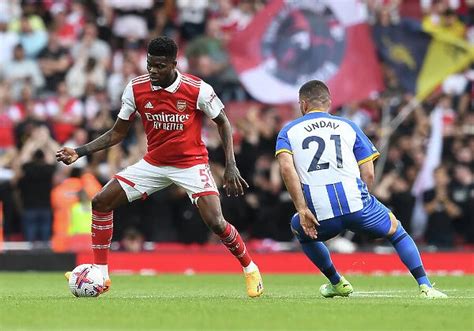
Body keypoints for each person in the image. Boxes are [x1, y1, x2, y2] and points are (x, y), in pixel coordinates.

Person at [56, 36, 263, 298]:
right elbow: (117, 133)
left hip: (191, 164)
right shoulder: (136, 88)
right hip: (154, 163)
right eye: (150, 64)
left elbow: (223, 122)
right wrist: (79, 151)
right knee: (101, 201)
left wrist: (231, 165)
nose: (153, 70)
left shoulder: (197, 89)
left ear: (174, 64)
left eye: (160, 66)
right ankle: (101, 273)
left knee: (216, 222)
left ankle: (251, 269)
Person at [275, 80, 446, 299]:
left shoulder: (289, 131)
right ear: (329, 102)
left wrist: (301, 208)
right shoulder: (347, 125)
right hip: (357, 203)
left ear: (303, 104)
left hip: (320, 211)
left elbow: (286, 169)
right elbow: (369, 172)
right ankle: (425, 286)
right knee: (397, 231)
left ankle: (337, 282)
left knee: (299, 228)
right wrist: (362, 201)